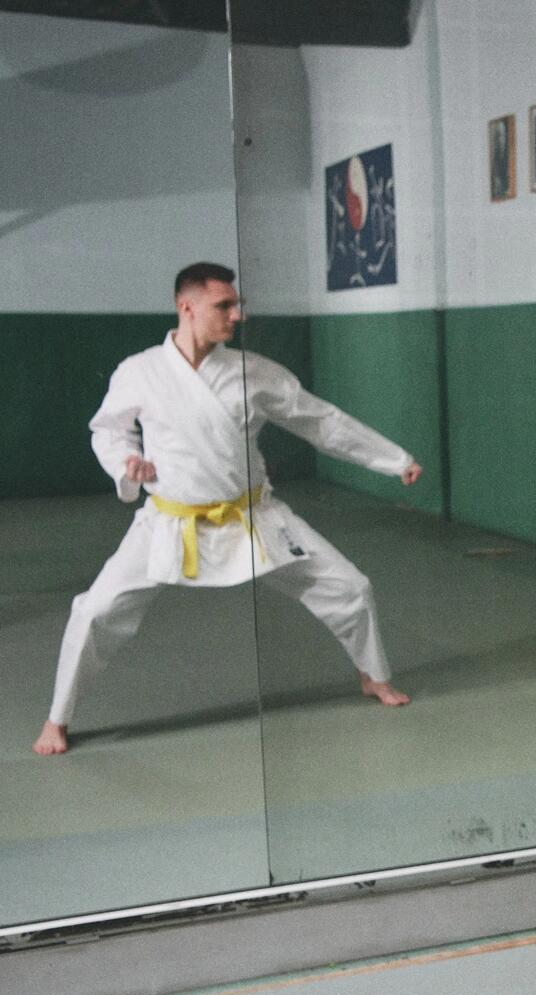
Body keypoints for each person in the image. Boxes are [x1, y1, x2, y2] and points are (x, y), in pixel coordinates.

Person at [33, 262, 423, 757]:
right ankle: (58, 718)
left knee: (350, 587)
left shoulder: (254, 372)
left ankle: (373, 675)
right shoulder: (140, 371)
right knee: (94, 611)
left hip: (253, 518)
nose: (236, 315)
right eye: (224, 306)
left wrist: (394, 460)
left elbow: (322, 422)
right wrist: (125, 461)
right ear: (186, 307)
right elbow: (107, 430)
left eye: (237, 305)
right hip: (170, 522)